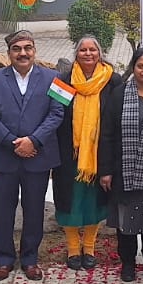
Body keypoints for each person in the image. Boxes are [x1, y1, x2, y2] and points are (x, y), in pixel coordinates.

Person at [0, 30, 63, 281]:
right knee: (2, 210)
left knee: (34, 209)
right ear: (9, 53)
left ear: (35, 51)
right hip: (4, 156)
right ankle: (3, 260)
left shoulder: (54, 78)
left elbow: (57, 114)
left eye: (28, 48)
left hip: (37, 155)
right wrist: (12, 142)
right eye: (17, 49)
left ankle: (30, 259)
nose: (23, 53)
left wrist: (33, 140)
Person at [51, 35, 118, 270]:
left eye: (93, 49)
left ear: (100, 53)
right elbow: (54, 116)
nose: (88, 54)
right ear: (76, 54)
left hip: (100, 153)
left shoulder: (112, 81)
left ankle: (88, 248)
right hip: (69, 153)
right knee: (70, 202)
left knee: (94, 202)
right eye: (83, 50)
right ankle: (72, 249)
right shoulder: (64, 80)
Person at [99, 47, 143, 282]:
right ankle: (127, 263)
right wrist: (105, 171)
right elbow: (106, 135)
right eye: (140, 66)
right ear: (133, 68)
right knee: (125, 220)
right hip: (123, 170)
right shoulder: (119, 94)